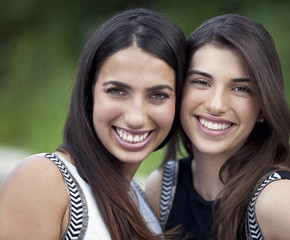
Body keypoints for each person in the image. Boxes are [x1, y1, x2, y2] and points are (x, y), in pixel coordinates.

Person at [145, 14, 290, 240]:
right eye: (202, 82)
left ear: (262, 108)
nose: (216, 105)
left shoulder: (276, 198)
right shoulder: (165, 188)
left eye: (240, 88)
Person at [0, 8, 186, 240]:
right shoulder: (44, 180)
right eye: (117, 91)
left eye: (158, 95)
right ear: (89, 97)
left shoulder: (142, 203)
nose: (136, 118)